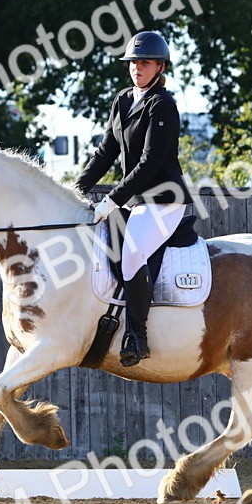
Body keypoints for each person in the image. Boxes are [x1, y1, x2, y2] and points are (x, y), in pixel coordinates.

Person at [75, 31, 190, 367]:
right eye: (134, 63)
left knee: (132, 253)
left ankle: (137, 335)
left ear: (160, 66)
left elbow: (150, 161)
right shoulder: (123, 100)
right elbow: (106, 151)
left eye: (144, 63)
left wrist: (112, 198)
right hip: (134, 200)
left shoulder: (163, 105)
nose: (137, 68)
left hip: (162, 199)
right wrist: (74, 190)